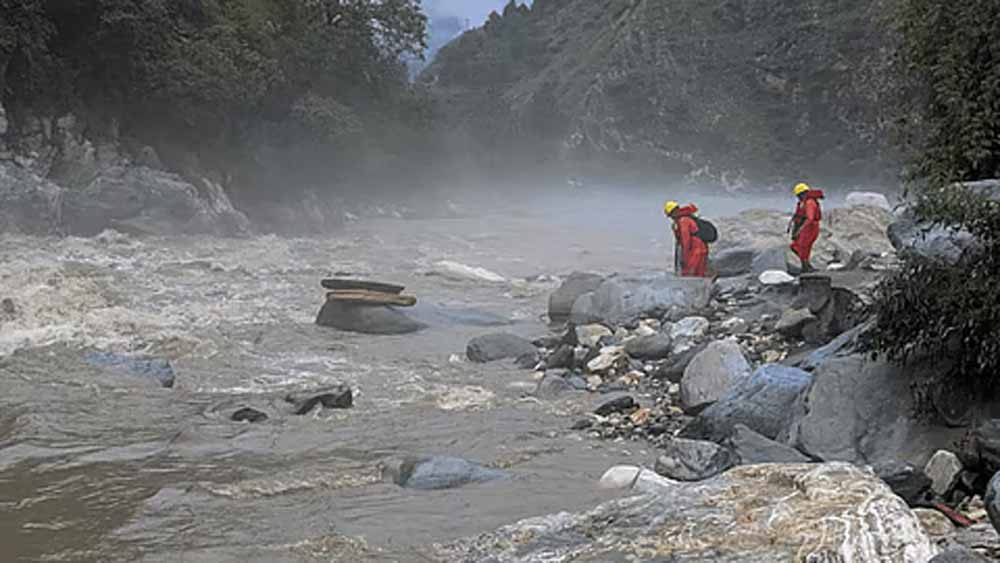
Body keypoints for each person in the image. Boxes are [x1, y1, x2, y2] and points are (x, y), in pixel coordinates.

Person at [664, 200, 709, 277]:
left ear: (673, 212)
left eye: (670, 215)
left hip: (695, 250)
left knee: (688, 274)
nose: (671, 218)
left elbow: (686, 241)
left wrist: (684, 258)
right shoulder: (686, 218)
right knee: (699, 274)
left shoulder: (683, 221)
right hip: (702, 248)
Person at [788, 182, 823, 273]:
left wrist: (800, 230)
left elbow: (810, 218)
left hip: (810, 227)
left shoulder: (809, 203)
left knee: (803, 246)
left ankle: (806, 267)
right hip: (808, 226)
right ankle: (806, 265)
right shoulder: (805, 202)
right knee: (800, 246)